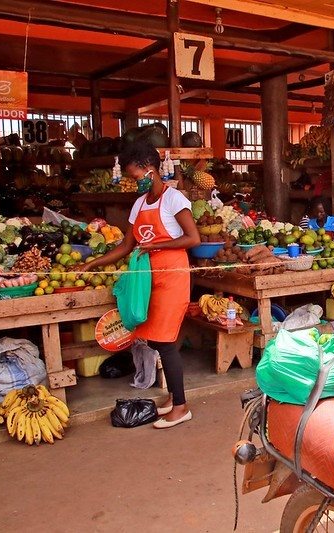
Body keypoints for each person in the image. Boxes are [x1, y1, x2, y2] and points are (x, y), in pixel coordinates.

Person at [76, 141, 200, 428]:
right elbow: (126, 245)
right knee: (156, 339)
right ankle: (173, 397)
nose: (135, 182)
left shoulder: (174, 200)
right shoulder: (139, 204)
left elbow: (193, 238)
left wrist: (157, 244)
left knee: (166, 343)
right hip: (148, 279)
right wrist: (93, 264)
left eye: (136, 176)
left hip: (172, 276)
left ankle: (181, 407)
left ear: (151, 169)